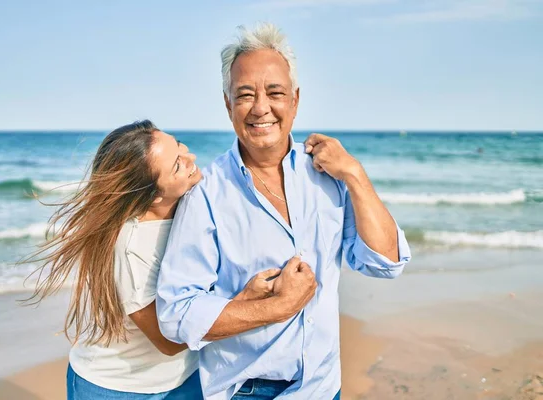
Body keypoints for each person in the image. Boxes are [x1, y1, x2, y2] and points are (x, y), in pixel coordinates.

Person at [156, 23, 412, 400]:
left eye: (275, 92)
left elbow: (386, 262)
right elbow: (176, 314)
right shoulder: (206, 195)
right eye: (245, 95)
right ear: (228, 104)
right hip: (246, 391)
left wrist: (355, 174)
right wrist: (278, 307)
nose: (261, 108)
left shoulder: (330, 175)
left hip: (324, 388)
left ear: (295, 99)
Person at [24, 120, 285, 399]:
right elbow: (168, 340)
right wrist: (243, 300)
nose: (191, 159)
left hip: (187, 376)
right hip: (121, 388)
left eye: (180, 146)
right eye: (176, 165)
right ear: (153, 195)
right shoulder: (132, 248)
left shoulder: (189, 203)